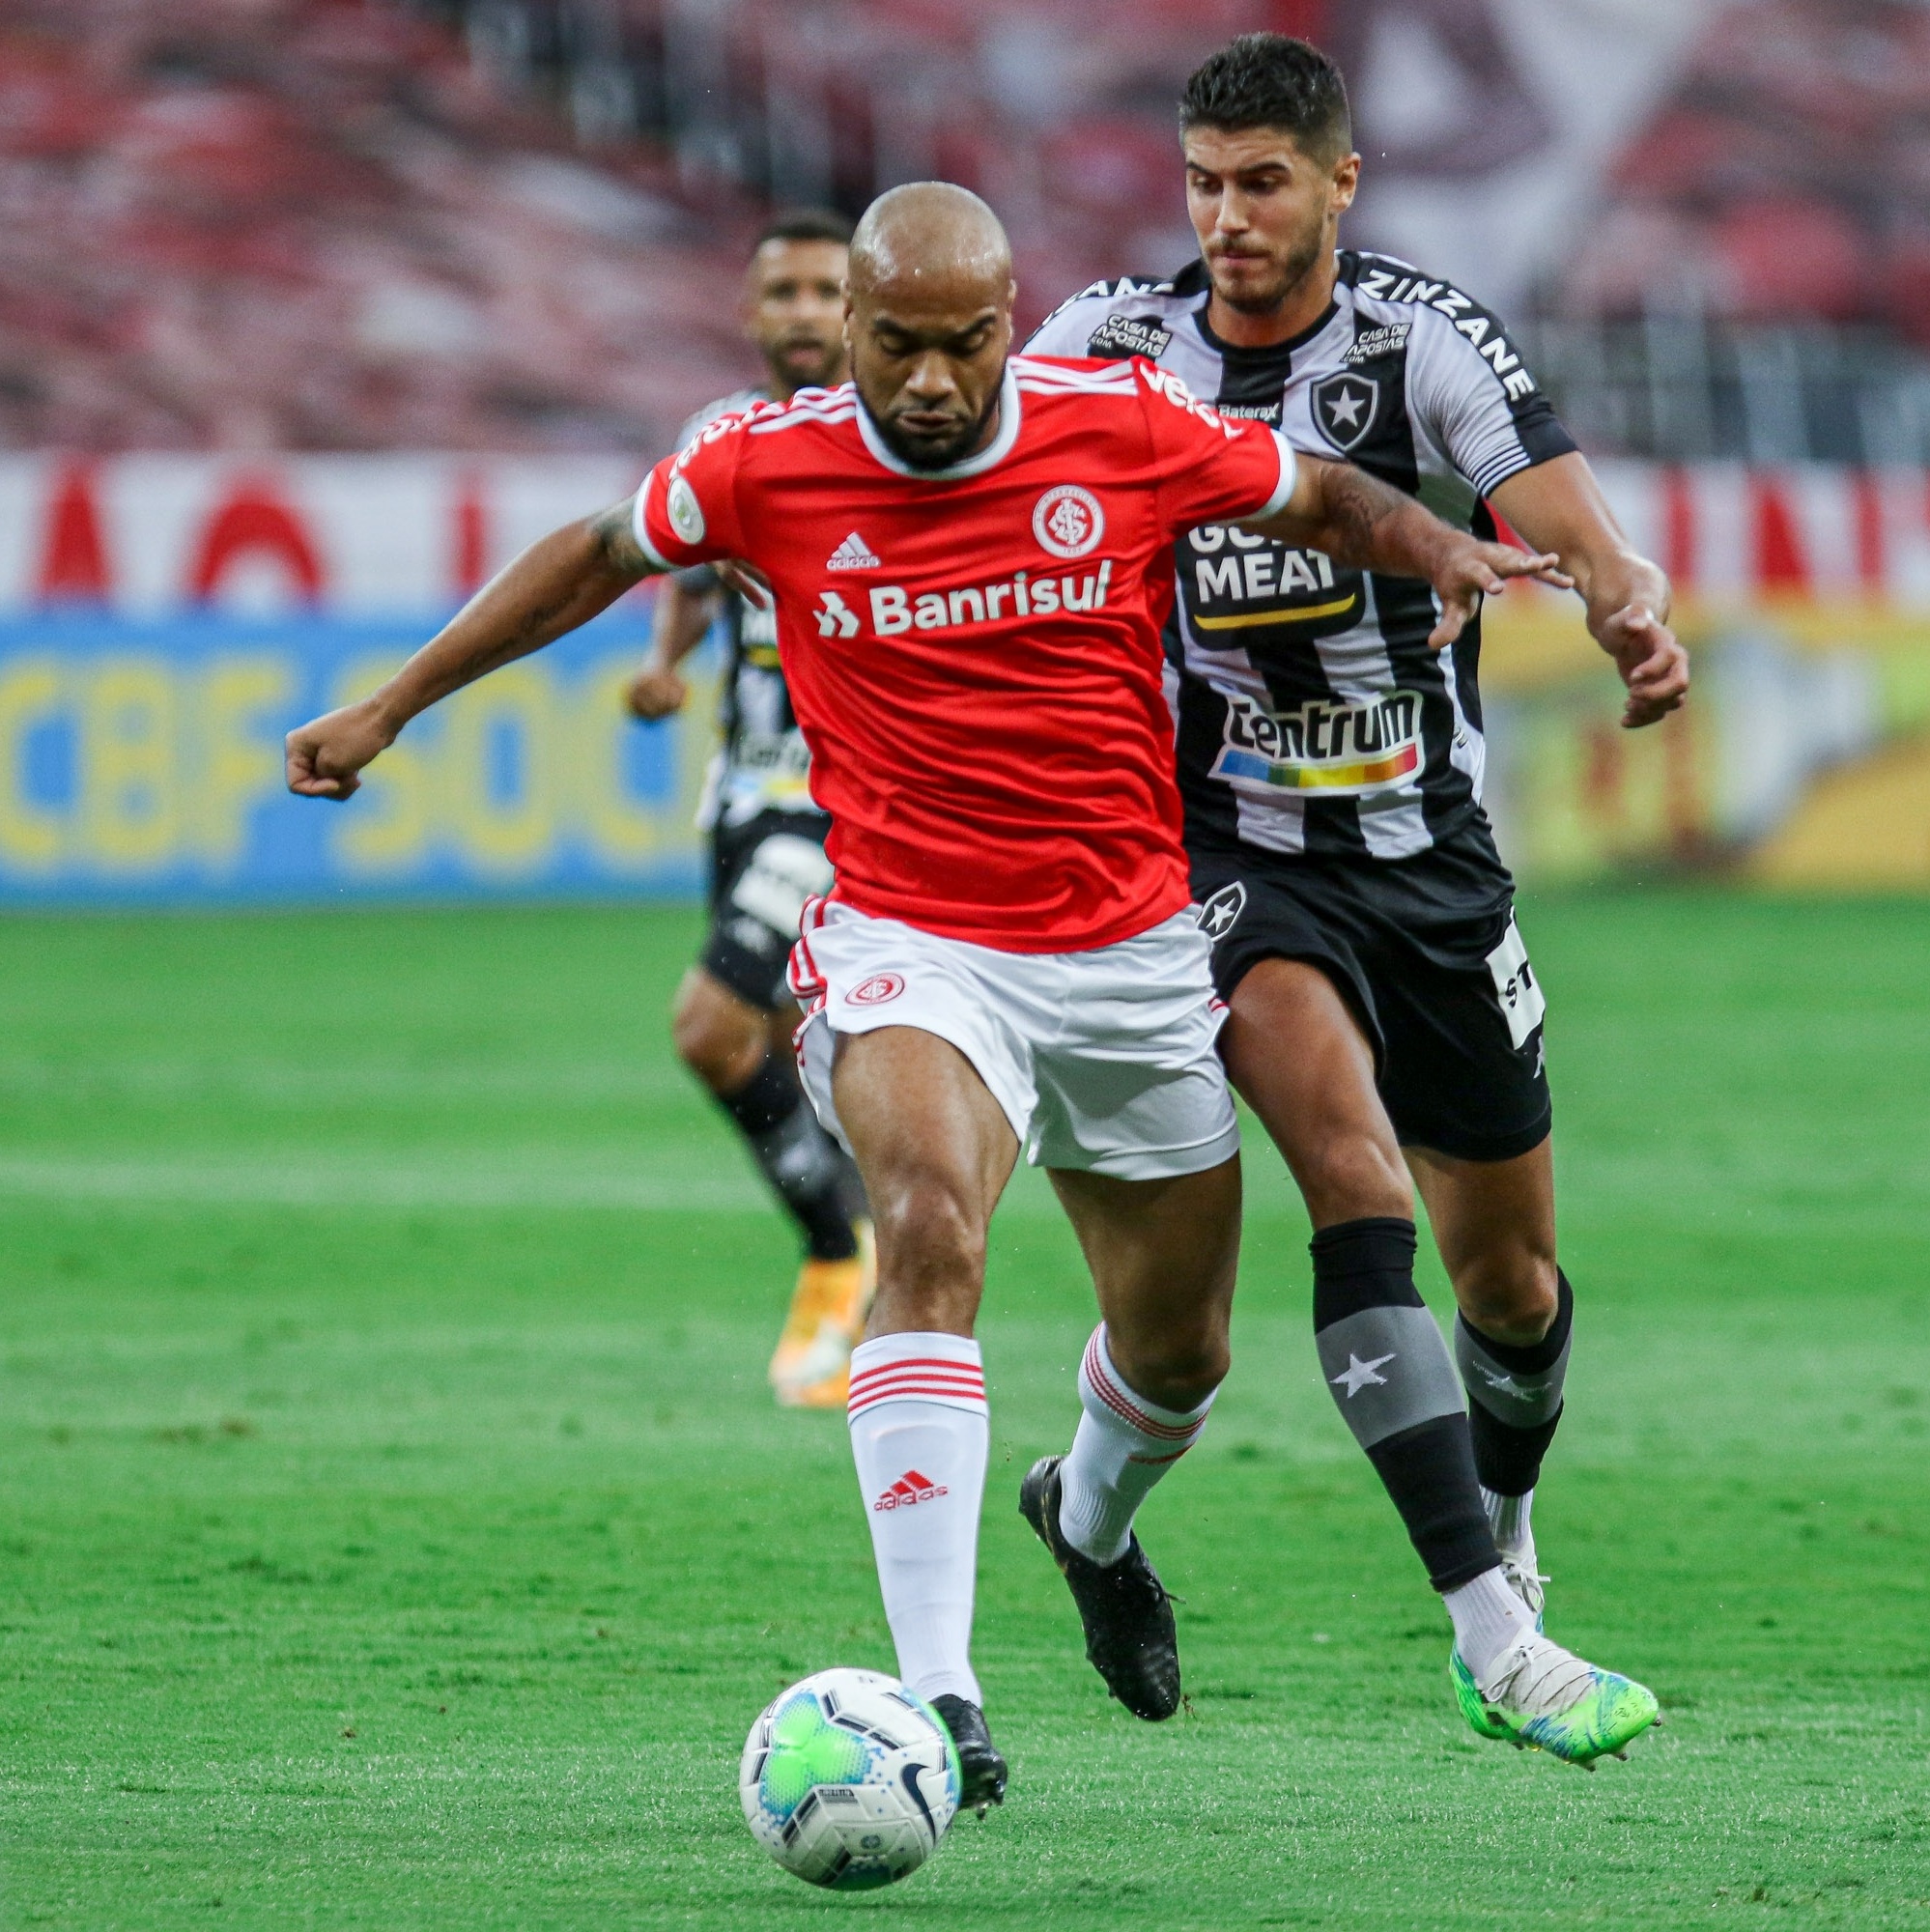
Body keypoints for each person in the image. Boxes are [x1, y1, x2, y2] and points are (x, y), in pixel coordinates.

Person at [284, 182, 1610, 1809]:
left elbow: (1313, 493)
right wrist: (394, 702)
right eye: (894, 345)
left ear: (1006, 322)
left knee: (1180, 1351)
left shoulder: (1116, 426)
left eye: (961, 344)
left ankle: (1088, 1518)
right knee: (927, 1226)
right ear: (845, 329)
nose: (927, 382)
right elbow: (589, 557)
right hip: (914, 942)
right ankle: (939, 1697)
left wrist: (1432, 547)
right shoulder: (765, 460)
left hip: (1129, 955)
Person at [1025, 33, 1686, 1757]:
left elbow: (1565, 510)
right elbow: (969, 475)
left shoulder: (1420, 337)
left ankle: (1504, 1525)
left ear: (1337, 183)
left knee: (1515, 1296)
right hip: (1225, 854)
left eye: (1260, 183)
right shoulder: (1109, 347)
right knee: (1344, 1168)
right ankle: (1492, 1643)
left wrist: (1623, 601)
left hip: (1433, 867)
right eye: (1202, 183)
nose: (1226, 218)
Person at [625, 211, 873, 1410]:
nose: (804, 311)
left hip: (835, 798)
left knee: (710, 1024)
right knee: (769, 1039)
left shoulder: (897, 433)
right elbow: (682, 572)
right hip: (743, 786)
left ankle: (841, 1245)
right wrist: (668, 661)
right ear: (752, 310)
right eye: (782, 290)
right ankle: (863, 1241)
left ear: (860, 303)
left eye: (827, 289)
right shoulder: (717, 434)